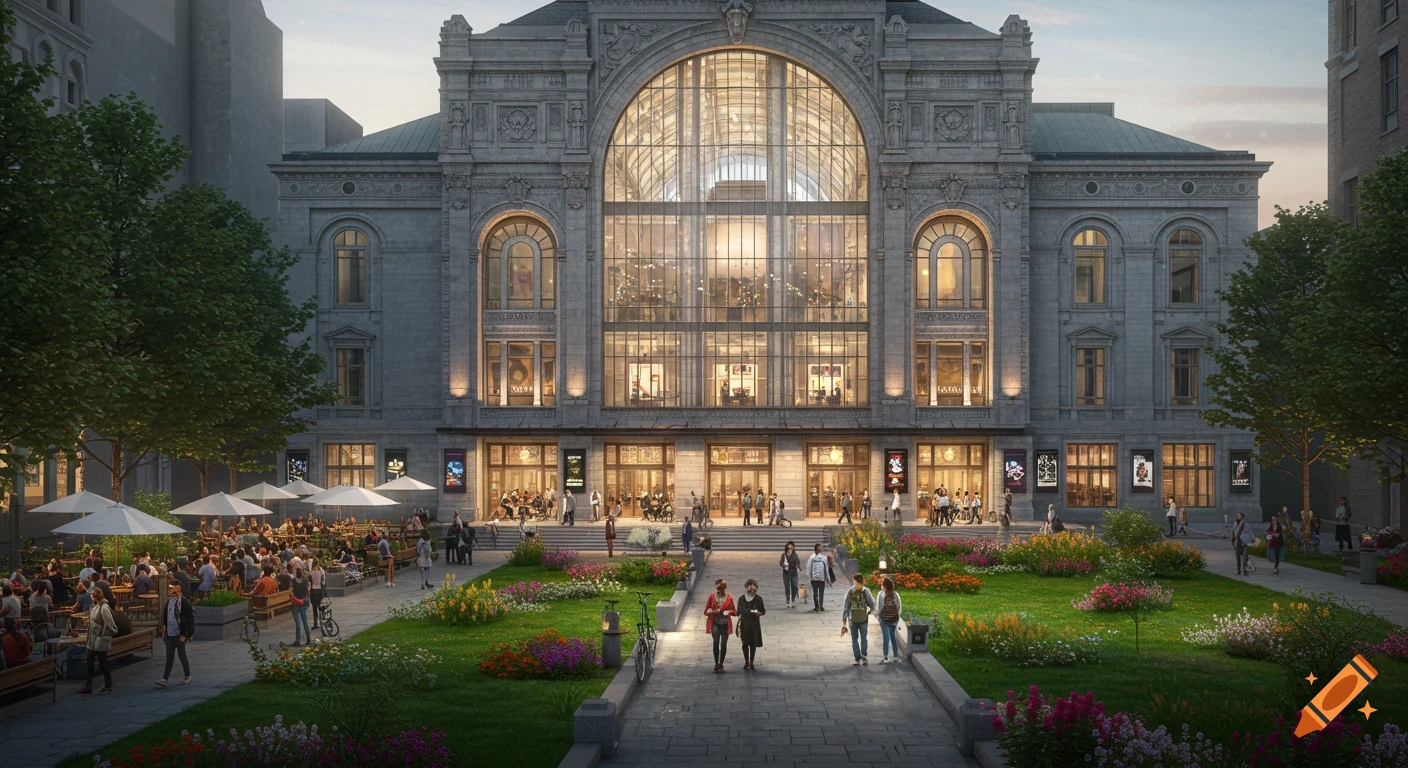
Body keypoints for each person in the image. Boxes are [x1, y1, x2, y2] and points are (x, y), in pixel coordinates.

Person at [79, 588, 118, 694]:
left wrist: (103, 634)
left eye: (93, 596)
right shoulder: (94, 607)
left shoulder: (104, 608)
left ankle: (108, 684)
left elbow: (109, 624)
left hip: (99, 639)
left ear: (96, 597)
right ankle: (88, 685)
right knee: (90, 661)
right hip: (92, 640)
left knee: (102, 662)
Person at [155, 583, 194, 687]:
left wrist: (185, 634)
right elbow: (166, 617)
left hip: (179, 634)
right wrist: (164, 629)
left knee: (182, 656)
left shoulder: (184, 603)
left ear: (179, 590)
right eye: (170, 589)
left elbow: (189, 619)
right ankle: (165, 678)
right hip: (170, 634)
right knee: (169, 657)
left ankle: (187, 675)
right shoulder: (169, 602)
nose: (171, 591)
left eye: (174, 589)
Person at [840, 572, 876, 665]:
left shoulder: (851, 591)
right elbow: (872, 603)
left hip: (854, 618)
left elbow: (847, 605)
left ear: (858, 582)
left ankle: (859, 658)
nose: (855, 584)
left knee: (857, 639)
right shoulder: (865, 591)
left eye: (855, 582)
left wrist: (844, 616)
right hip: (862, 618)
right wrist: (869, 612)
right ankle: (862, 656)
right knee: (861, 638)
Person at [704, 578, 735, 673]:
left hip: (725, 624)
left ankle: (721, 663)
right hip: (715, 623)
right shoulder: (712, 597)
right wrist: (711, 611)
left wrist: (728, 612)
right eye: (717, 589)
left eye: (721, 590)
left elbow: (734, 611)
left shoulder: (729, 598)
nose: (719, 592)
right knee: (716, 643)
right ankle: (716, 662)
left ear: (724, 589)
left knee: (724, 644)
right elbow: (706, 612)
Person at [736, 579, 766, 670]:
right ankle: (746, 662)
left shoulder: (758, 599)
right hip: (744, 623)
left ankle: (751, 662)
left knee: (753, 644)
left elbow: (763, 611)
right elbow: (739, 611)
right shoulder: (742, 598)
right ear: (746, 587)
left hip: (754, 624)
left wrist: (759, 613)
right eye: (750, 586)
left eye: (754, 586)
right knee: (745, 643)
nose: (752, 588)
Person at [876, 576, 903, 663]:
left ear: (883, 586)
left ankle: (886, 656)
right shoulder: (896, 595)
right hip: (894, 619)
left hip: (884, 620)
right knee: (893, 637)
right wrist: (897, 616)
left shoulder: (881, 594)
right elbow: (899, 607)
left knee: (886, 638)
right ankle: (896, 656)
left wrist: (879, 618)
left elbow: (879, 607)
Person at [806, 543, 833, 612]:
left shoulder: (822, 558)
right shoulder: (813, 558)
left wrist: (828, 579)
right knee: (818, 593)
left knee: (819, 593)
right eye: (819, 548)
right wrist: (810, 577)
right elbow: (808, 568)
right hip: (817, 579)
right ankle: (818, 606)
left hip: (819, 578)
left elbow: (826, 569)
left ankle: (819, 606)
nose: (819, 549)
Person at [289, 564, 311, 647]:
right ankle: (308, 639)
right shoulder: (306, 581)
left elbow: (290, 591)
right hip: (304, 602)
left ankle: (298, 640)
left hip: (296, 603)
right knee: (305, 621)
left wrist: (294, 597)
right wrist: (304, 598)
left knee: (298, 622)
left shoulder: (293, 581)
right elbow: (308, 591)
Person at [779, 541, 801, 608]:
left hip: (793, 571)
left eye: (791, 546)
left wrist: (797, 565)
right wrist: (783, 565)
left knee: (794, 585)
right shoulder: (784, 555)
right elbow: (781, 563)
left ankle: (793, 600)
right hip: (786, 572)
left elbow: (798, 562)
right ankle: (788, 601)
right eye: (789, 545)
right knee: (787, 586)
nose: (790, 547)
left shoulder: (795, 554)